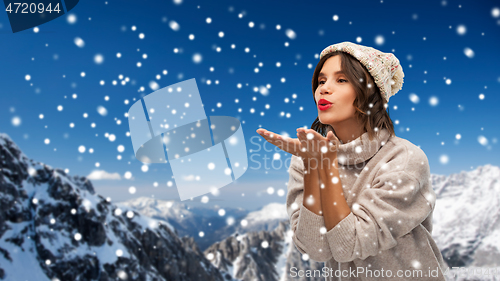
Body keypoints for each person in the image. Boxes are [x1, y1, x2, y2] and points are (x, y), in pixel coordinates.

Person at [256, 41, 449, 280]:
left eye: (341, 80)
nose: (324, 89)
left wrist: (324, 168)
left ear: (370, 93)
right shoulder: (307, 158)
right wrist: (314, 168)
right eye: (321, 81)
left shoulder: (403, 160)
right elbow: (315, 249)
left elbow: (350, 245)